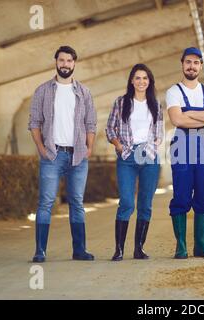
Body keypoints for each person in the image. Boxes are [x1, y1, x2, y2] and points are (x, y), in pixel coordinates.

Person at [28, 45, 97, 263]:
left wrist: (89, 148)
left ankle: (79, 250)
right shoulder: (43, 90)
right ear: (56, 62)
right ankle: (40, 251)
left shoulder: (84, 92)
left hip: (78, 155)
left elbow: (91, 123)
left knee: (77, 202)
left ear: (74, 63)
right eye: (61, 60)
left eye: (69, 60)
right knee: (46, 202)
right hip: (52, 154)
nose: (65, 64)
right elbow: (34, 123)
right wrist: (41, 149)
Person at [166, 47, 204, 259]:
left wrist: (189, 112)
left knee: (203, 194)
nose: (192, 66)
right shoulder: (173, 91)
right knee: (181, 195)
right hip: (182, 145)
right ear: (182, 64)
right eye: (188, 62)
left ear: (200, 66)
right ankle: (180, 246)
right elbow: (177, 120)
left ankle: (200, 245)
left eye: (196, 62)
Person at [106, 64, 163, 261]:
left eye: (145, 78)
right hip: (127, 156)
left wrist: (154, 146)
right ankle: (119, 249)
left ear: (150, 81)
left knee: (145, 205)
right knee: (127, 203)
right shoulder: (121, 102)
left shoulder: (155, 104)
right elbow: (110, 129)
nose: (141, 82)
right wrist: (119, 145)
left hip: (149, 156)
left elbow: (159, 132)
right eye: (137, 78)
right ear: (131, 81)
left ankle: (139, 248)